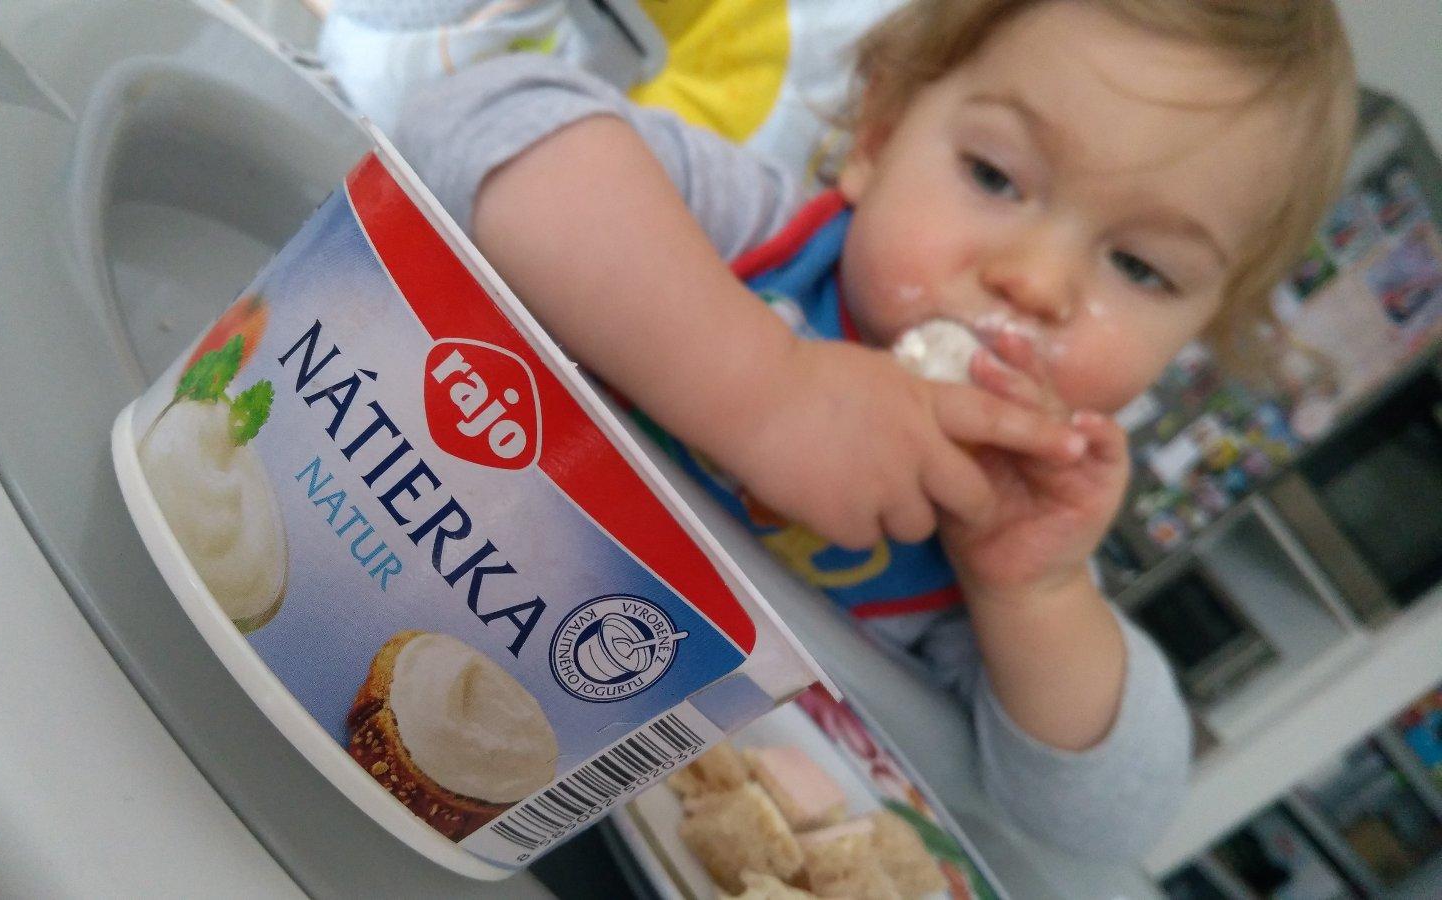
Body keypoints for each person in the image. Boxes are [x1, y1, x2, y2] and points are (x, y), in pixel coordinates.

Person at [370, 0, 1357, 857]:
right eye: (994, 176)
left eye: (1139, 269)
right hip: (399, 617)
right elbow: (470, 123)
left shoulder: (996, 507)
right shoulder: (746, 233)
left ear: (1195, 338)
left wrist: (1034, 595)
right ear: (878, 137)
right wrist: (765, 387)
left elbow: (1101, 826)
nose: (1037, 282)